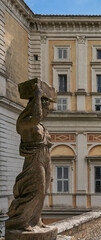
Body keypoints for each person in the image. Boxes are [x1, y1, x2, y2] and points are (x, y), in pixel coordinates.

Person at [5, 82, 53, 231]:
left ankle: (36, 219)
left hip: (45, 156)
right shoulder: (25, 123)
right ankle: (21, 221)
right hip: (34, 158)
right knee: (36, 189)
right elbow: (37, 116)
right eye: (45, 109)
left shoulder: (41, 126)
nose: (46, 112)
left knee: (44, 190)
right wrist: (38, 96)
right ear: (35, 106)